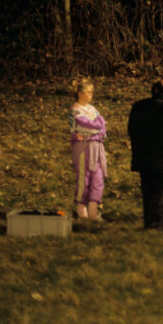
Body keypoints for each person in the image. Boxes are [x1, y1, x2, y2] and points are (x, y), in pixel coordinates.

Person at [127, 79, 163, 229]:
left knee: (147, 190)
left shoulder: (138, 106)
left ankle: (152, 218)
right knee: (161, 192)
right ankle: (155, 223)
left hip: (143, 155)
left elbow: (131, 130)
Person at [70, 77, 108, 221]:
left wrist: (98, 127)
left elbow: (102, 125)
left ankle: (93, 211)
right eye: (89, 92)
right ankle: (82, 211)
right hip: (83, 148)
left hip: (96, 148)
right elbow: (87, 125)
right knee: (83, 180)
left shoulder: (93, 109)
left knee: (97, 178)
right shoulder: (75, 109)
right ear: (80, 93)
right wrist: (96, 126)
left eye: (92, 93)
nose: (91, 95)